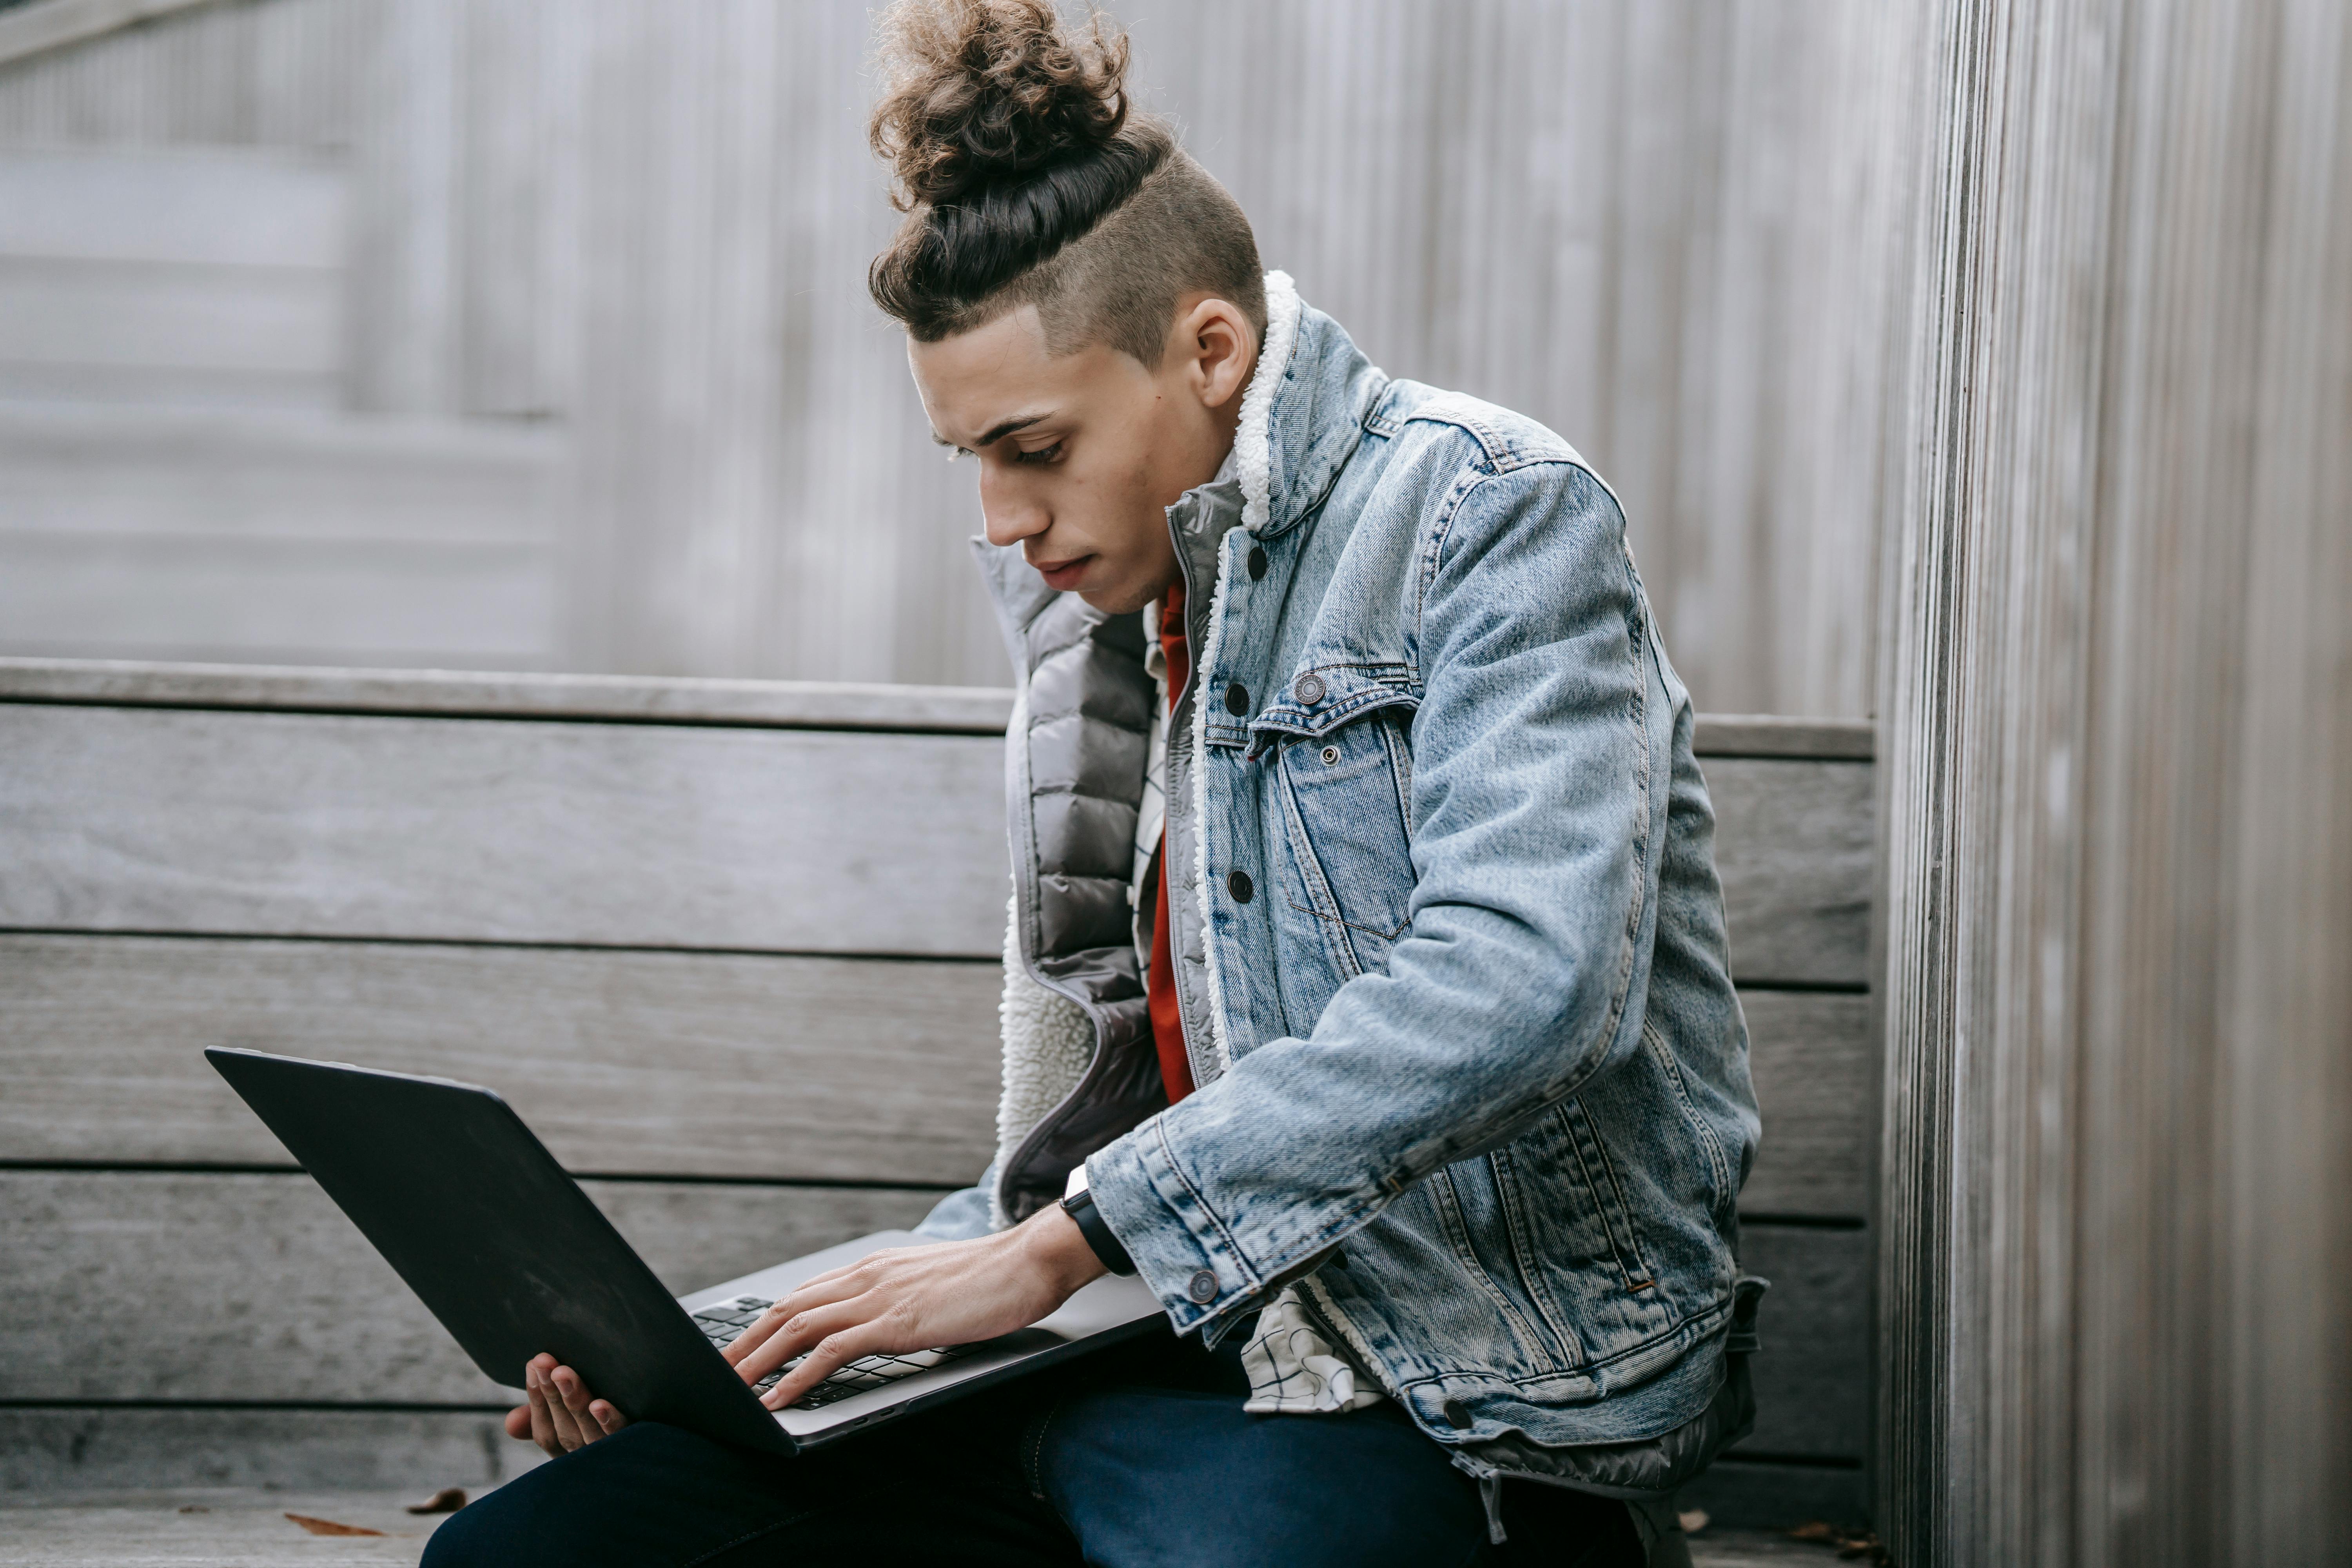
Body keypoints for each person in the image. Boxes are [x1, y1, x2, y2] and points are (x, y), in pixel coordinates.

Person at [424, 2, 1761, 1563]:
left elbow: (1528, 979)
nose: (1001, 519)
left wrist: (1066, 1246)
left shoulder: (1486, 512)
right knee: (530, 1554)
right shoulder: (1086, 609)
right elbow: (1086, 1103)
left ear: (1210, 350)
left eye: (1035, 446)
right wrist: (759, 1347)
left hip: (1437, 1370)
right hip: (1119, 1329)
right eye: (971, 462)